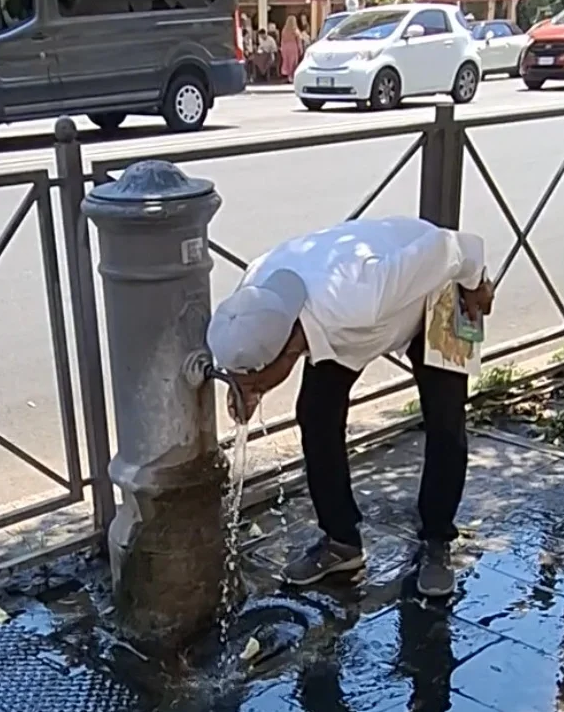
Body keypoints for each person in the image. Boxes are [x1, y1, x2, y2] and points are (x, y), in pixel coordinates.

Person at [207, 217, 495, 598]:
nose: (251, 390)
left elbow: (455, 246)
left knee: (445, 417)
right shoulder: (254, 292)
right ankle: (341, 542)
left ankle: (437, 541)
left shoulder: (362, 296)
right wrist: (247, 388)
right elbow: (249, 351)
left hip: (435, 289)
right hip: (351, 326)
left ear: (289, 351)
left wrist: (476, 284)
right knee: (316, 415)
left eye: (256, 383)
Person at [280, 15, 302, 81]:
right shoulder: (295, 30)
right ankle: (291, 76)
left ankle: (288, 75)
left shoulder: (284, 30)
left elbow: (282, 40)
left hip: (285, 47)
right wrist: (300, 49)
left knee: (287, 61)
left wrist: (282, 48)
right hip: (293, 47)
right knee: (293, 62)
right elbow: (299, 41)